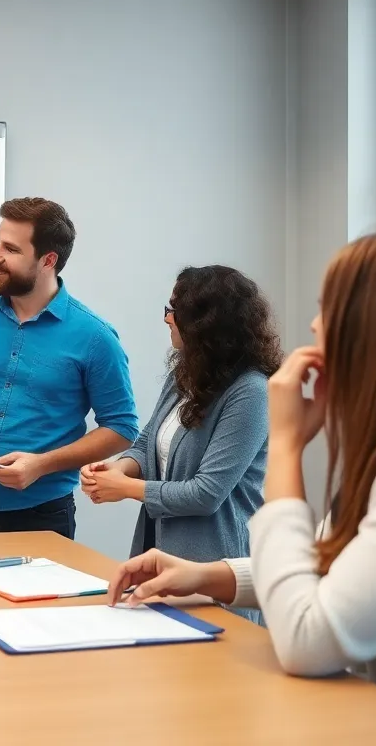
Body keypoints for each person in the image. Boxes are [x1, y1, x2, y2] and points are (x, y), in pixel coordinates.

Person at [107, 228, 376, 743]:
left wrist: (287, 445)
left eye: (330, 310)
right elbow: (333, 567)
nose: (316, 325)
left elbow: (307, 639)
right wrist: (207, 576)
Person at [0, 197, 139, 539]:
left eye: (10, 249)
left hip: (42, 515)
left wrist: (42, 464)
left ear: (48, 260)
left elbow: (121, 427)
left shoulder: (95, 337)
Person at [80, 266, 279, 621]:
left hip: (216, 568)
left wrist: (125, 488)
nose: (166, 318)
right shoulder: (185, 373)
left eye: (174, 310)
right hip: (161, 556)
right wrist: (117, 469)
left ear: (205, 322)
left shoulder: (251, 392)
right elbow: (148, 442)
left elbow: (205, 494)